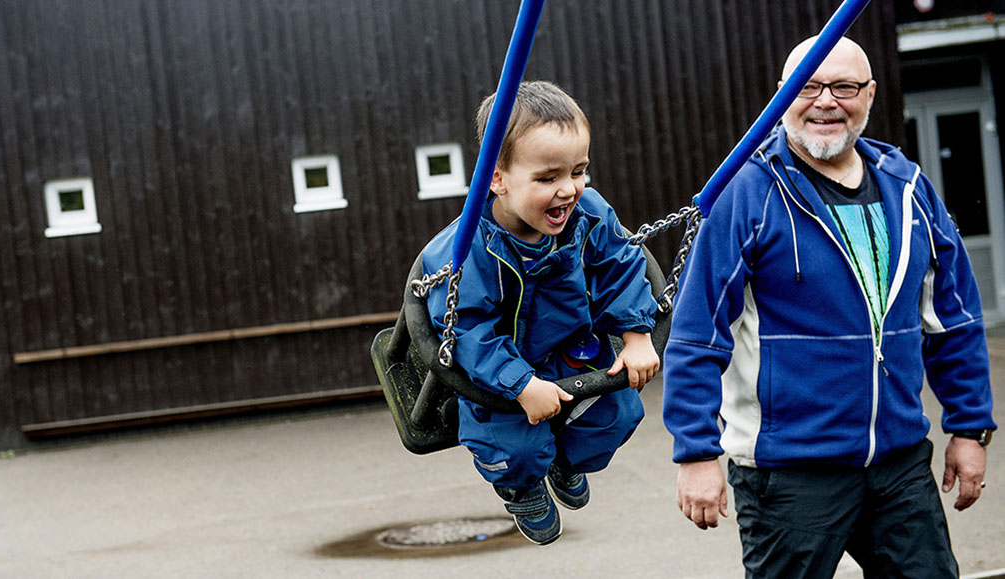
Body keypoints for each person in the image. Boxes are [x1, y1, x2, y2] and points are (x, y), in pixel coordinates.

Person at [662, 36, 996, 577]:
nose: (825, 101)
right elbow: (698, 334)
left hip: (899, 464)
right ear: (780, 96)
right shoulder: (747, 194)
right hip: (788, 472)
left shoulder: (910, 190)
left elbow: (952, 322)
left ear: (869, 94)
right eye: (808, 86)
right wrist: (696, 453)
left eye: (844, 86)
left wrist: (970, 426)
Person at [421, 80, 660, 545]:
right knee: (513, 449)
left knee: (619, 414)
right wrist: (522, 384)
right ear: (497, 177)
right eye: (548, 178)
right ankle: (522, 484)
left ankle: (566, 462)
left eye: (579, 170)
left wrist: (636, 334)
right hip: (500, 371)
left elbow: (621, 264)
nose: (569, 190)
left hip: (570, 353)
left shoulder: (587, 213)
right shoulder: (467, 250)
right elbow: (467, 330)